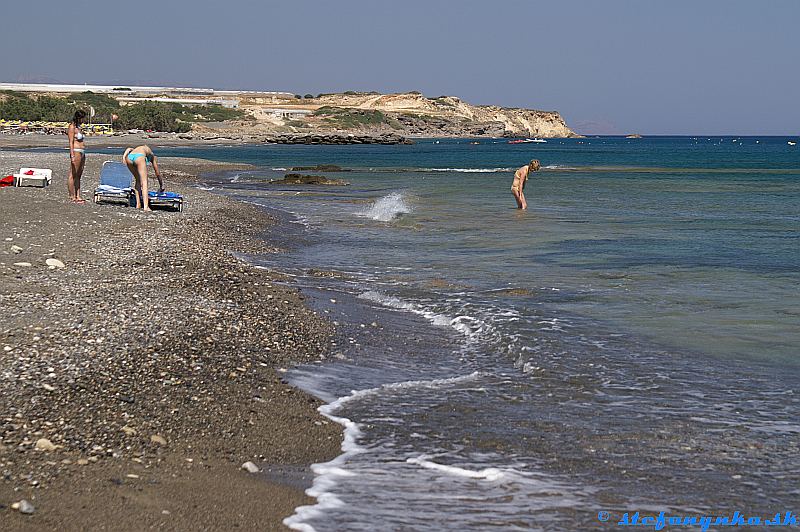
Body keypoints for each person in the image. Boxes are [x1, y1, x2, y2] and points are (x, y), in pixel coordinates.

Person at [123, 145, 164, 211]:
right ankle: (146, 207)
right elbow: (157, 172)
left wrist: (124, 156)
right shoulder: (152, 156)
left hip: (129, 157)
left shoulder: (141, 148)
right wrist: (161, 185)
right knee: (144, 182)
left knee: (138, 180)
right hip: (139, 157)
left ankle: (138, 204)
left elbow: (129, 149)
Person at [67, 110, 88, 203]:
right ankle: (72, 196)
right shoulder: (72, 127)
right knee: (73, 174)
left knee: (79, 174)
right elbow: (71, 142)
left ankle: (78, 195)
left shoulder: (79, 128)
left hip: (82, 151)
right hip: (76, 151)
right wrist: (72, 155)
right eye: (82, 118)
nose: (83, 120)